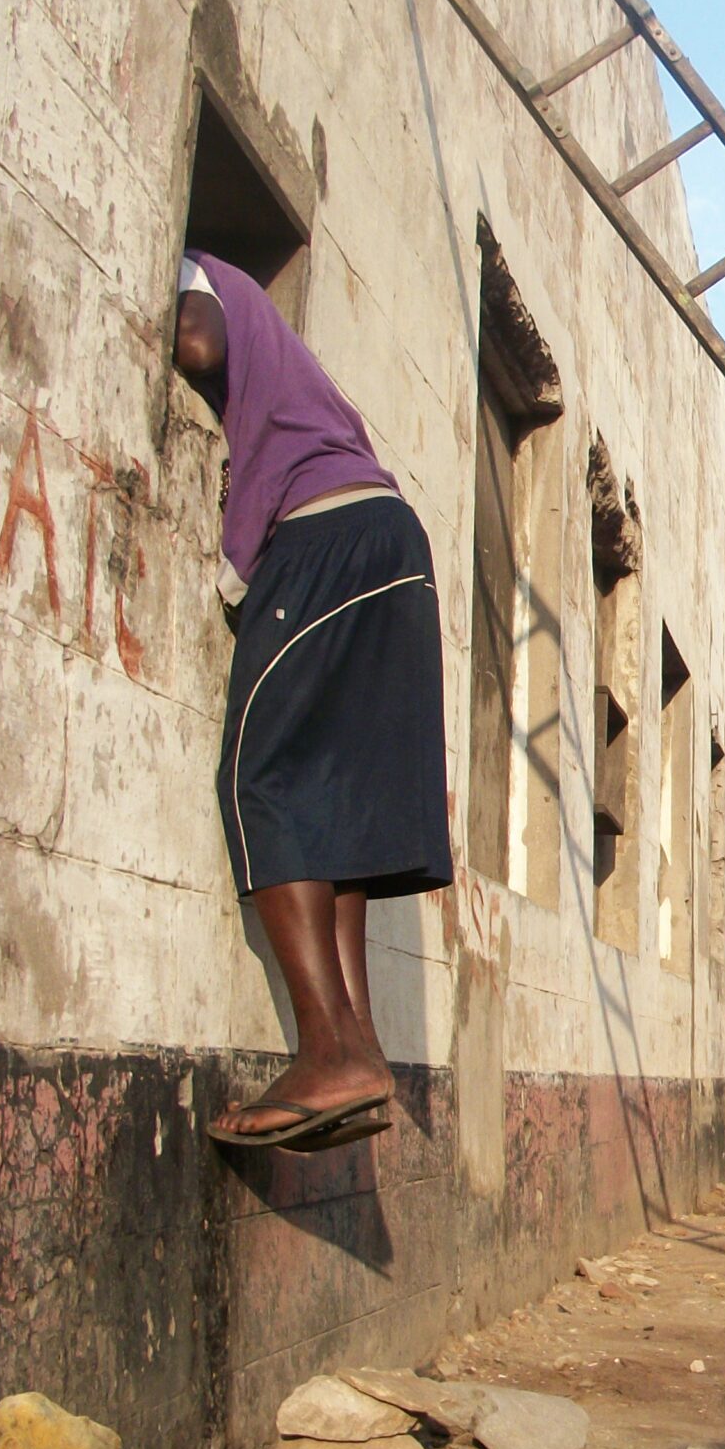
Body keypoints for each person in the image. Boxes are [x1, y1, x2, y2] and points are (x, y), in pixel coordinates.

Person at [171, 252, 453, 1152]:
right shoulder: (305, 390)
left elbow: (193, 337)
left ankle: (326, 1047)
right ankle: (359, 1055)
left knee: (265, 780)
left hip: (322, 544)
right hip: (393, 546)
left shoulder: (207, 280)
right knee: (338, 813)